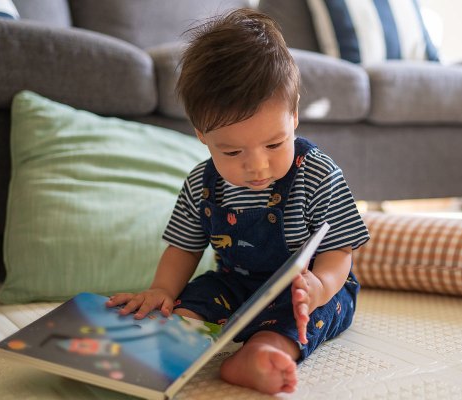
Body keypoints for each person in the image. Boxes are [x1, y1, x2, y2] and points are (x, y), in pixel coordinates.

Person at [106, 8, 369, 395]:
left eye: (274, 144)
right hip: (235, 282)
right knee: (191, 300)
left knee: (312, 315)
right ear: (202, 136)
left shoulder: (318, 173)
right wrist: (162, 290)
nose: (256, 166)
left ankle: (263, 352)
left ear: (294, 117)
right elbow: (183, 247)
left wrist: (320, 286)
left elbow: (339, 253)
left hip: (307, 287)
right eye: (231, 153)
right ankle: (175, 344)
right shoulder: (201, 183)